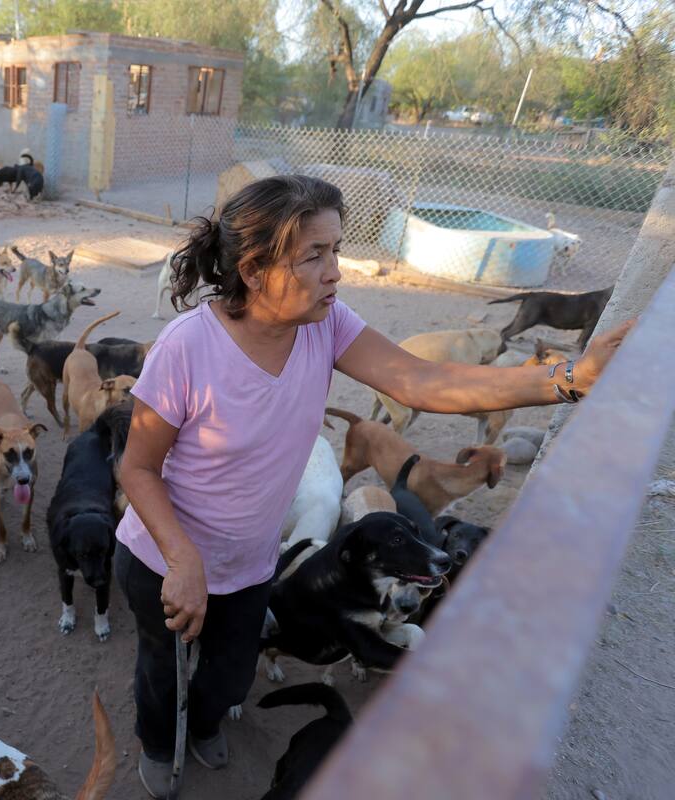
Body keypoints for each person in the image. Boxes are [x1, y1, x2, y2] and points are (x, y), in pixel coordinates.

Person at [115, 175, 632, 798]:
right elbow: (137, 468)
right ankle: (158, 741)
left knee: (227, 677)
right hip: (163, 558)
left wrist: (569, 376)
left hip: (249, 565)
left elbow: (423, 381)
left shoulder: (325, 325)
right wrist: (182, 557)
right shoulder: (186, 349)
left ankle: (200, 725)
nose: (337, 271)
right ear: (255, 271)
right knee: (160, 672)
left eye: (337, 250)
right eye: (316, 255)